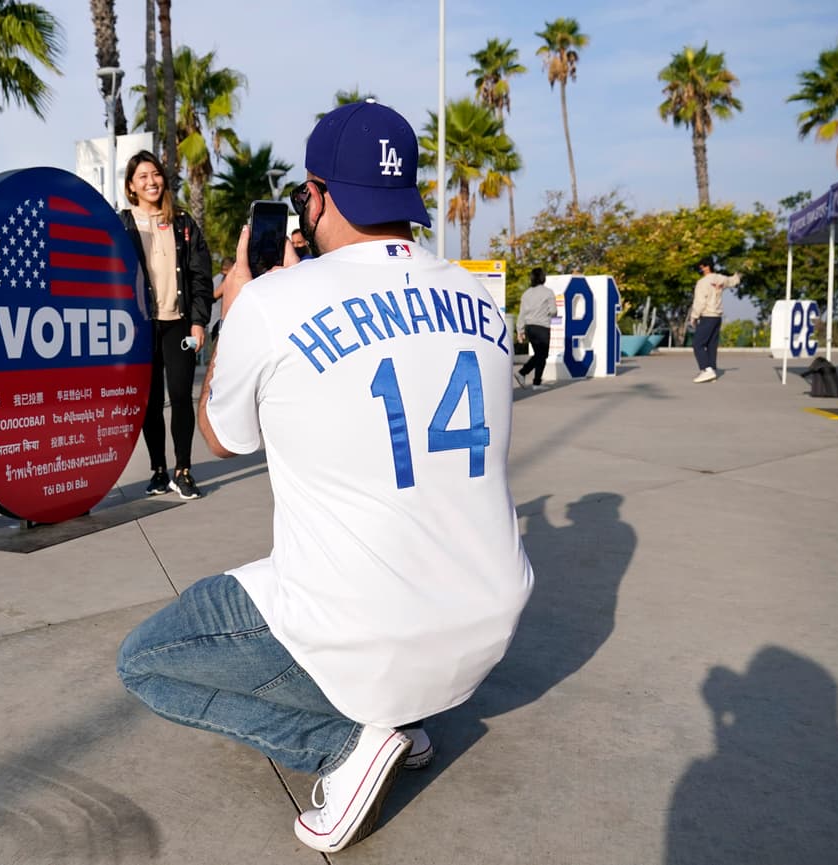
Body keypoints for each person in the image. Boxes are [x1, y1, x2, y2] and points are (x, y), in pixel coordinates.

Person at [117, 101, 534, 854]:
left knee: (145, 660)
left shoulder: (276, 303)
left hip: (367, 628)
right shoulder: (483, 299)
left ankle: (350, 742)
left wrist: (241, 307)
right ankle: (401, 722)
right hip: (488, 623)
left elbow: (220, 438)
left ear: (317, 196)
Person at [118, 150, 214, 500]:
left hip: (178, 325)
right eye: (142, 177)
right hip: (139, 329)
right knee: (149, 402)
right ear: (131, 186)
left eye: (155, 174)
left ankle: (183, 470)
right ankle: (158, 470)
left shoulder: (184, 223)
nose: (151, 181)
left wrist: (199, 322)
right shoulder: (122, 224)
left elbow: (201, 276)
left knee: (180, 396)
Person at [688, 258, 741, 383]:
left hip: (707, 316)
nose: (700, 269)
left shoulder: (702, 282)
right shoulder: (720, 278)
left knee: (698, 344)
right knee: (711, 345)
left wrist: (694, 317)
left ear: (706, 267)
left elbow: (700, 302)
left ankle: (706, 370)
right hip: (717, 317)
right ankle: (712, 371)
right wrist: (738, 274)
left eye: (701, 267)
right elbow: (733, 281)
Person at [516, 266, 555, 389]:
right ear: (543, 278)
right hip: (542, 327)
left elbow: (521, 313)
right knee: (542, 355)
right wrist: (549, 313)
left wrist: (520, 331)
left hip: (529, 328)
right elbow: (553, 311)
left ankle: (530, 378)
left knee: (539, 354)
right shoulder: (548, 292)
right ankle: (527, 376)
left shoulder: (526, 293)